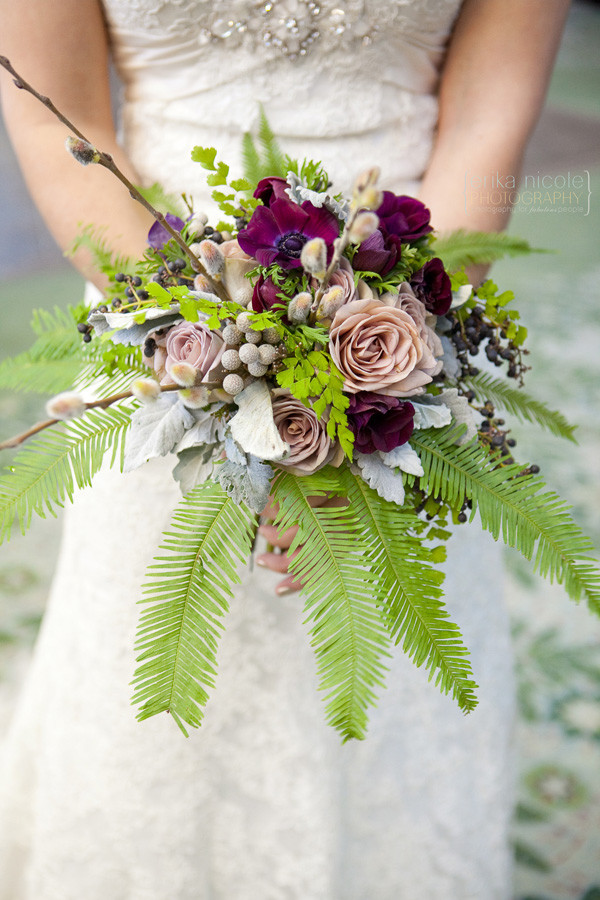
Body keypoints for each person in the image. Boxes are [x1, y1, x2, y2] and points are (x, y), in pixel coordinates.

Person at [0, 1, 571, 898]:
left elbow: (488, 122)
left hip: (413, 307)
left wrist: (378, 373)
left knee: (391, 664)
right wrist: (223, 371)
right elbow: (51, 114)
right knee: (147, 692)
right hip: (156, 316)